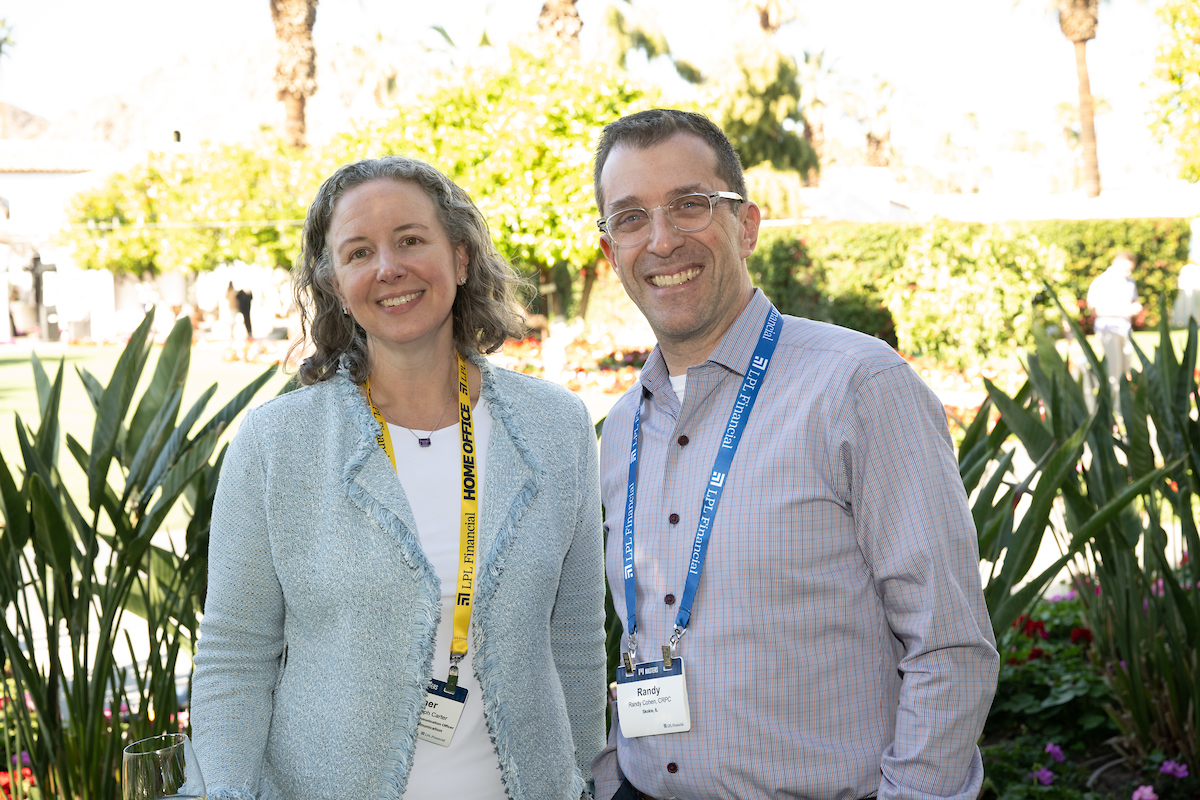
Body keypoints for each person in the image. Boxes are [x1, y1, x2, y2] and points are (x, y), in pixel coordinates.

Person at [589, 109, 998, 800]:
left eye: (690, 205)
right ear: (609, 249)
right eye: (630, 218)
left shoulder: (858, 388)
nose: (661, 240)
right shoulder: (625, 423)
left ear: (746, 224)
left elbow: (948, 645)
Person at [191, 156, 606, 800]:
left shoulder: (558, 427)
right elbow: (234, 655)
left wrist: (581, 778)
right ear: (334, 283)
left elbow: (576, 635)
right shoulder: (277, 444)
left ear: (461, 258)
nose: (389, 268)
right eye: (359, 252)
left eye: (411, 240)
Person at [1085, 251, 1142, 400]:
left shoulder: (1130, 282)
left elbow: (1134, 301)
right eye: (1126, 269)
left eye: (1131, 269)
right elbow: (1094, 310)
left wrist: (1136, 307)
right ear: (1115, 264)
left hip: (1125, 331)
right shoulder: (1101, 282)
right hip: (1108, 330)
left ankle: (1126, 403)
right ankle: (1115, 406)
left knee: (1126, 369)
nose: (1128, 272)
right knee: (1114, 370)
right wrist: (1124, 311)